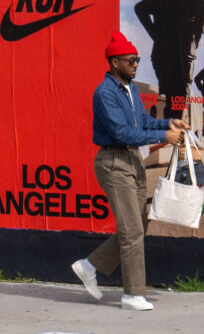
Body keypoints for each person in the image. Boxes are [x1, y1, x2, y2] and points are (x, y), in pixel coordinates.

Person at [73, 31, 182, 311]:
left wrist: (170, 123)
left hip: (133, 161)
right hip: (113, 162)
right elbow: (122, 133)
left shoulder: (131, 89)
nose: (136, 65)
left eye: (138, 60)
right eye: (131, 60)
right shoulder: (104, 93)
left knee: (139, 224)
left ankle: (89, 265)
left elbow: (143, 121)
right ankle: (132, 295)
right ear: (114, 62)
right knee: (132, 228)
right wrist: (162, 139)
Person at [132, 0, 204, 117]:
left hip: (162, 56)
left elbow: (139, 8)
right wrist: (192, 47)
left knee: (169, 98)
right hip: (183, 58)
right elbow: (200, 29)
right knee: (179, 101)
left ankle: (170, 135)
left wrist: (155, 35)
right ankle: (175, 137)